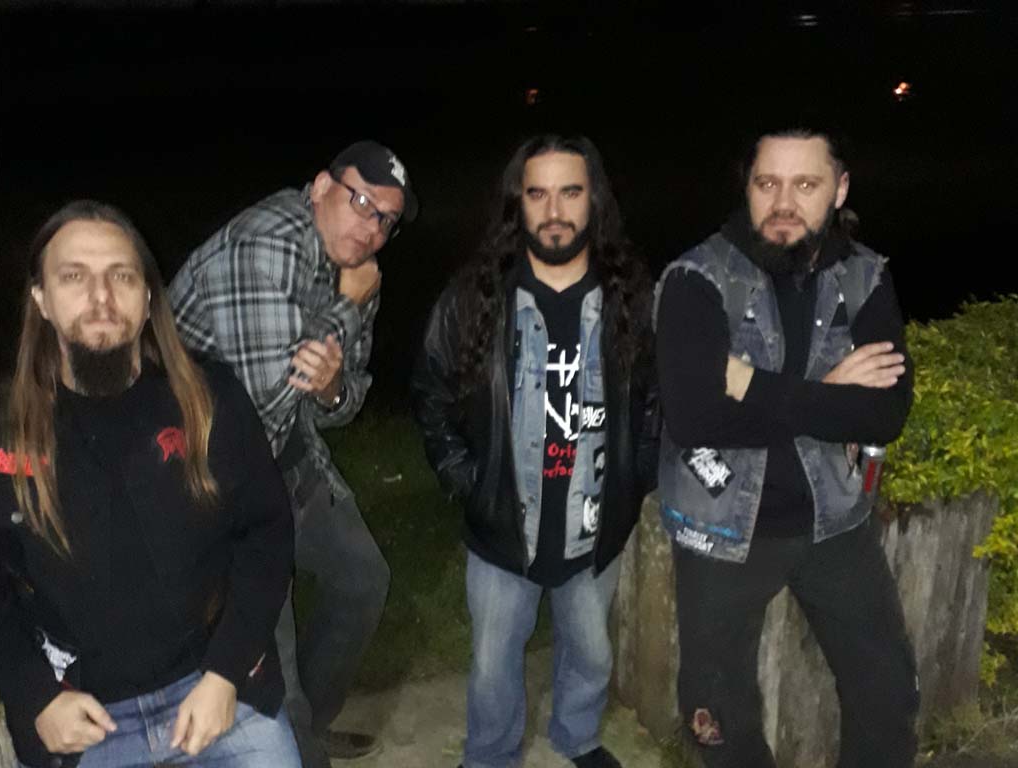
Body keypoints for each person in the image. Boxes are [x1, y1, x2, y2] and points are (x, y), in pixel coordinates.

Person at [0, 201, 298, 768]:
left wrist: (227, 671)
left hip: (216, 692)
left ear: (148, 297)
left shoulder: (209, 399)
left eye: (122, 276)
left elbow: (267, 534)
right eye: (74, 277)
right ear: (41, 299)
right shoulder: (6, 432)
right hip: (82, 717)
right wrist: (34, 695)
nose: (101, 296)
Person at [654, 125, 920, 767]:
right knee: (716, 716)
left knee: (888, 693)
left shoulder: (865, 277)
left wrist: (749, 384)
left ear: (840, 189)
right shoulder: (696, 278)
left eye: (805, 184)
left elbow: (884, 413)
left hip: (835, 519)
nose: (783, 202)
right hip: (721, 526)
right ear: (746, 186)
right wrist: (828, 395)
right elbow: (694, 417)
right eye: (767, 182)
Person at [411, 134, 657, 768]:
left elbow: (657, 399)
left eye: (570, 192)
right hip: (502, 524)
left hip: (594, 522)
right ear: (516, 202)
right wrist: (467, 480)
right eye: (537, 193)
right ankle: (491, 754)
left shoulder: (631, 297)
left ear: (594, 199)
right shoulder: (476, 296)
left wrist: (635, 476)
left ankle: (578, 736)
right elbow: (432, 393)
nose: (554, 212)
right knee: (493, 662)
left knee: (592, 651)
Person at [168, 140, 417, 764]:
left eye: (386, 220)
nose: (372, 229)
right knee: (268, 648)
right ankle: (295, 740)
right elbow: (263, 400)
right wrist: (348, 306)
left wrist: (331, 386)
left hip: (287, 457)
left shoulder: (353, 268)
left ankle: (306, 729)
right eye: (361, 202)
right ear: (321, 187)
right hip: (212, 478)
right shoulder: (266, 244)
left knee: (363, 582)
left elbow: (344, 398)